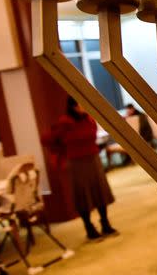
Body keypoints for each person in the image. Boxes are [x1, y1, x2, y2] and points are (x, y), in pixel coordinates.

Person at [43, 96, 118, 240]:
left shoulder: (89, 118)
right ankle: (89, 227)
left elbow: (92, 134)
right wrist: (62, 150)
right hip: (77, 162)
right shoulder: (65, 122)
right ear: (74, 106)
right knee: (83, 196)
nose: (84, 106)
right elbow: (47, 139)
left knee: (99, 192)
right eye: (82, 104)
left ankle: (105, 223)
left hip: (93, 159)